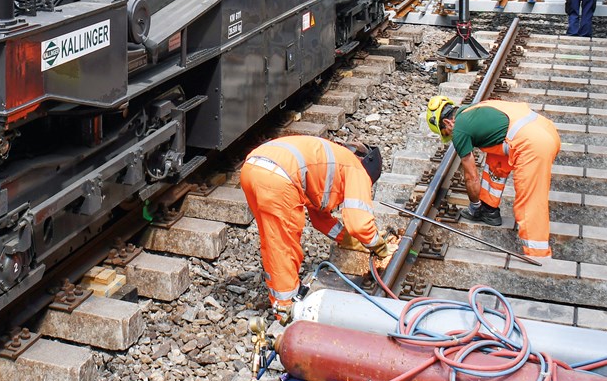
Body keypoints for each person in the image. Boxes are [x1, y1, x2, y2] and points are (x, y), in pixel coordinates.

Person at [239, 136, 389, 323]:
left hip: (252, 167)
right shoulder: (357, 170)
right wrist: (378, 245)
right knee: (283, 245)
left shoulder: (332, 161)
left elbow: (320, 219)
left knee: (272, 238)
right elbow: (360, 223)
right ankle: (285, 308)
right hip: (278, 177)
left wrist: (347, 238)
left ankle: (280, 298)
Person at [425, 96, 561, 259]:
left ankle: (538, 254)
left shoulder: (459, 128)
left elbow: (472, 177)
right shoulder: (477, 109)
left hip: (534, 145)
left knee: (529, 201)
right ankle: (489, 210)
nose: (451, 137)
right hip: (545, 130)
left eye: (447, 133)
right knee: (495, 159)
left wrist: (474, 205)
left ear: (448, 123)